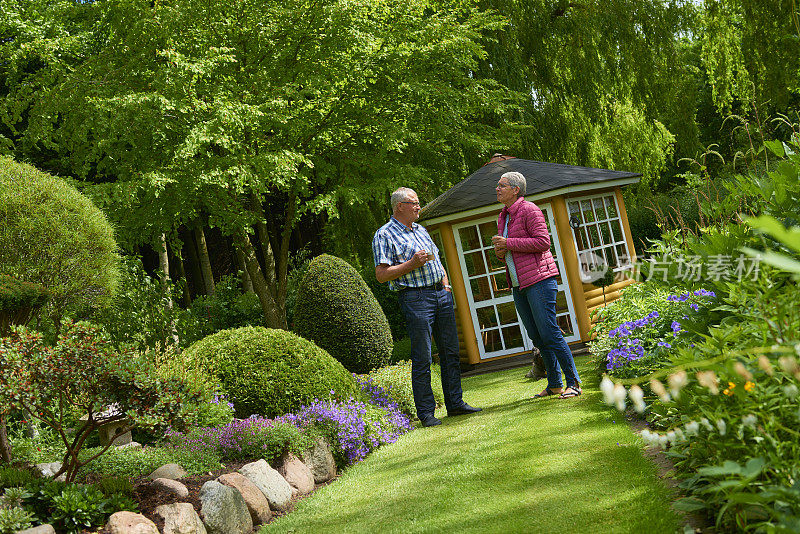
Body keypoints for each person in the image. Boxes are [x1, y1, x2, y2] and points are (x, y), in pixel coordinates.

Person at [372, 187, 482, 427]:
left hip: (439, 294)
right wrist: (411, 264)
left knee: (451, 351)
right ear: (399, 206)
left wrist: (444, 282)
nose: (418, 207)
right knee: (423, 356)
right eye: (414, 203)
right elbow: (381, 275)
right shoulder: (384, 235)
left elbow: (437, 258)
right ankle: (426, 413)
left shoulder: (421, 229)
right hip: (415, 298)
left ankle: (455, 403)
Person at [491, 172, 582, 399]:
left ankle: (574, 383)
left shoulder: (529, 209)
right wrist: (501, 252)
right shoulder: (503, 216)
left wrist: (508, 243)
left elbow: (543, 242)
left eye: (501, 185)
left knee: (550, 333)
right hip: (519, 285)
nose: (497, 189)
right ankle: (554, 384)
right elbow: (513, 253)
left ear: (515, 189)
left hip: (540, 281)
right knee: (537, 336)